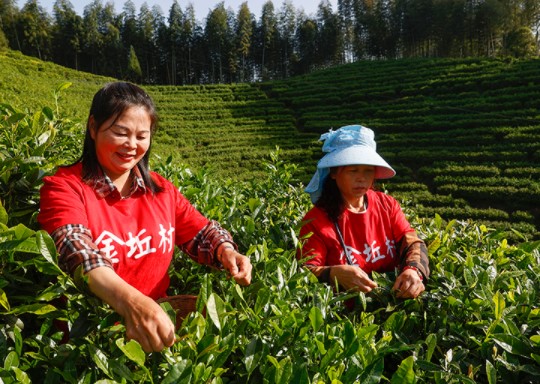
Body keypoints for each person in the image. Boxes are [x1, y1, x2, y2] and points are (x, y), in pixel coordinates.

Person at [38, 82, 252, 353]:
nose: (131, 145)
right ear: (93, 128)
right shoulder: (64, 187)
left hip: (154, 335)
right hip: (89, 345)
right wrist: (133, 304)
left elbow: (202, 233)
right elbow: (77, 252)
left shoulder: (161, 191)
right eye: (120, 133)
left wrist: (227, 252)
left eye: (142, 136)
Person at [298, 124, 429, 300]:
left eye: (368, 171)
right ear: (334, 173)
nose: (362, 178)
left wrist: (414, 271)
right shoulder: (315, 221)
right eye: (353, 171)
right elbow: (304, 272)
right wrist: (332, 273)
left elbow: (412, 242)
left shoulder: (386, 204)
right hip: (343, 317)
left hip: (392, 303)